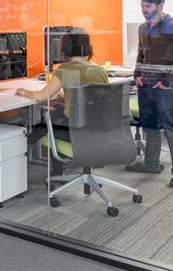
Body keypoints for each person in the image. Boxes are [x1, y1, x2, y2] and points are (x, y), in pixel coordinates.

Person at [16, 29, 108, 174]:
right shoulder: (99, 70)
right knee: (54, 115)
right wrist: (62, 91)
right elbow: (82, 93)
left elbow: (41, 97)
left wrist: (24, 91)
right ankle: (55, 172)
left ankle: (21, 154)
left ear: (66, 48)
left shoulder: (65, 69)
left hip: (76, 132)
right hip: (98, 130)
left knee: (43, 125)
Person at [125, 0, 173, 189]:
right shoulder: (143, 28)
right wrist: (137, 75)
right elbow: (140, 55)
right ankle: (151, 164)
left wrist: (167, 80)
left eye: (148, 6)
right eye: (142, 5)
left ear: (159, 5)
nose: (143, 10)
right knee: (150, 126)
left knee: (171, 129)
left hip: (164, 88)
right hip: (146, 86)